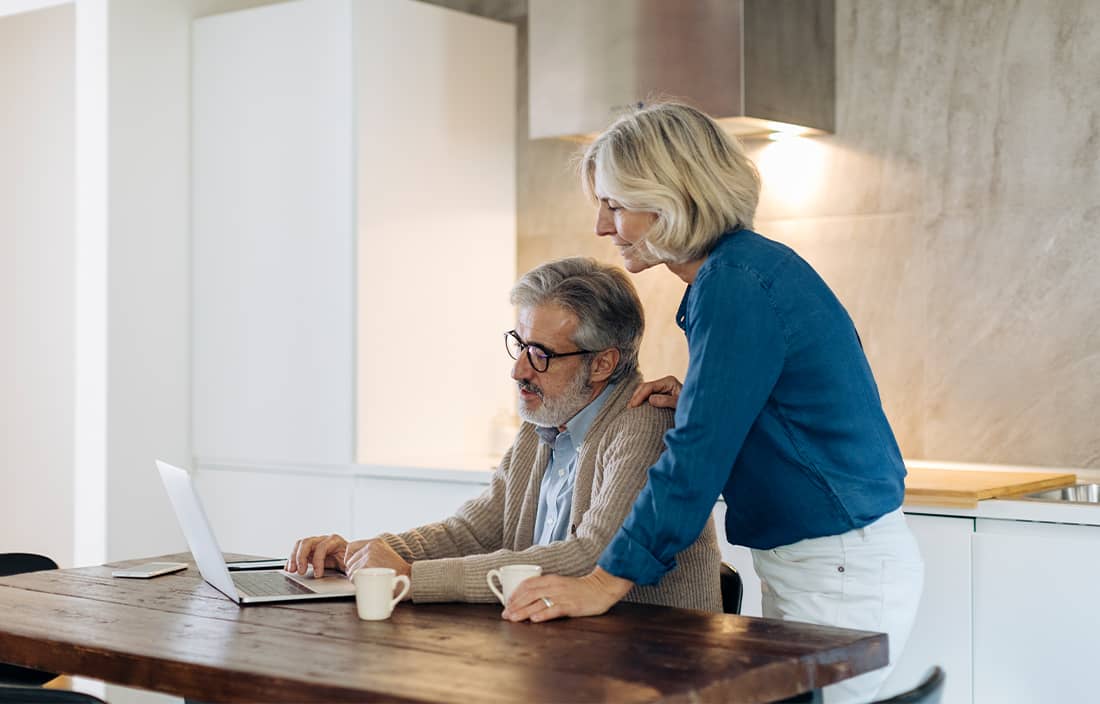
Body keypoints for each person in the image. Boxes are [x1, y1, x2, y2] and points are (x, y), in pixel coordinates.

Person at [503, 102, 924, 703]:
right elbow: (775, 403)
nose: (602, 226)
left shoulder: (733, 286)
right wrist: (703, 397)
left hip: (836, 572)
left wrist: (604, 581)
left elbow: (695, 460)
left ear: (669, 201)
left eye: (615, 205)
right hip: (828, 565)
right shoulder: (744, 271)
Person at [287, 257, 721, 611]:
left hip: (654, 668)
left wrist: (410, 577)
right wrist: (365, 554)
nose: (518, 370)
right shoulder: (544, 423)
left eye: (541, 354)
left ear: (603, 364)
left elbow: (590, 557)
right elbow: (471, 532)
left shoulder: (643, 421)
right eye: (520, 343)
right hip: (566, 654)